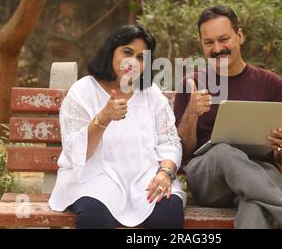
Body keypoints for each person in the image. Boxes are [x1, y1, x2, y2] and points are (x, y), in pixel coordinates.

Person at [173, 6, 282, 229]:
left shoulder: (270, 83)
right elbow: (182, 151)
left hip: (263, 178)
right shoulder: (192, 83)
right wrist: (191, 113)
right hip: (210, 180)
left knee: (255, 205)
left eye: (223, 39)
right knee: (223, 151)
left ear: (240, 36)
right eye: (209, 42)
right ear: (202, 44)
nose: (217, 48)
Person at [49, 25, 186, 229]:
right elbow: (75, 152)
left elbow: (170, 142)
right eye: (127, 52)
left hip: (145, 179)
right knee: (94, 218)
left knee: (168, 213)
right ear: (111, 51)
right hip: (94, 180)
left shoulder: (151, 94)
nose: (133, 62)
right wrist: (103, 118)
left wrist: (164, 173)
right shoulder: (83, 91)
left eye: (141, 57)